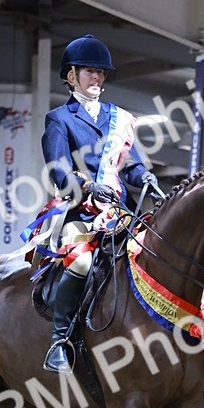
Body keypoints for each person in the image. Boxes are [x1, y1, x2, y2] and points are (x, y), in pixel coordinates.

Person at [39, 34, 162, 372]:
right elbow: (59, 170)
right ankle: (59, 342)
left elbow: (130, 164)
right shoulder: (60, 119)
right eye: (90, 72)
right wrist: (89, 185)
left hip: (119, 214)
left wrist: (146, 177)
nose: (96, 78)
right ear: (71, 76)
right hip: (81, 213)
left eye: (101, 73)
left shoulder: (118, 118)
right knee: (80, 264)